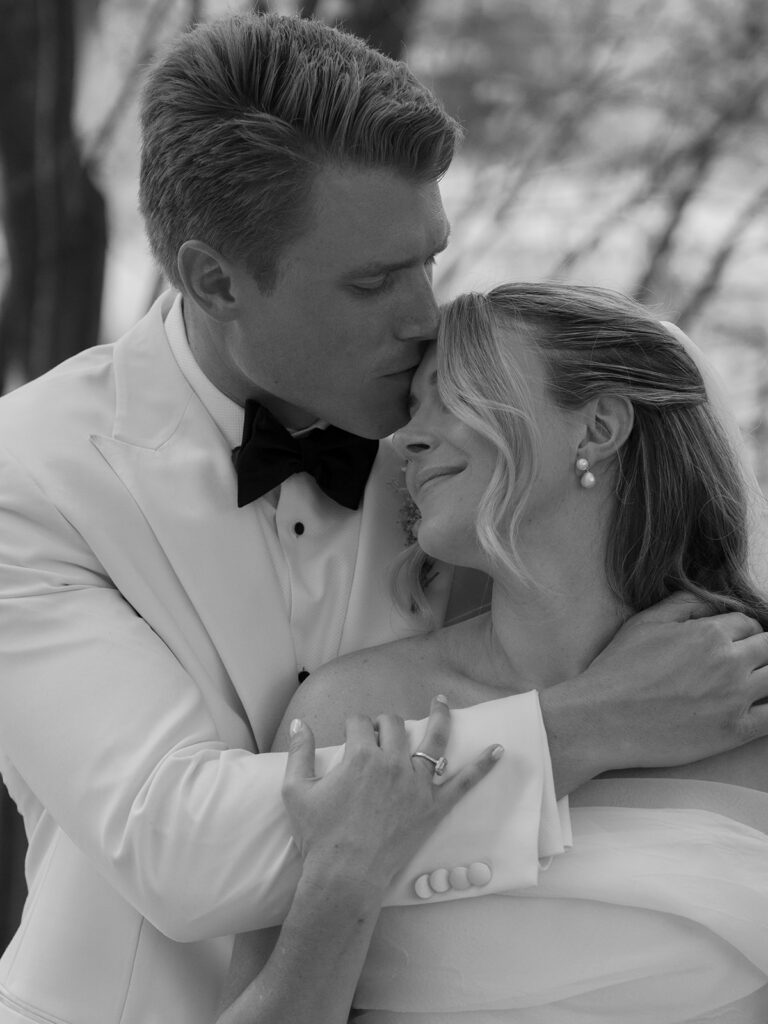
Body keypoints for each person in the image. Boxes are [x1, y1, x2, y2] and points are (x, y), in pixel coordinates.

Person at [0, 13, 767, 1024]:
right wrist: (591, 723)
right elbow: (177, 844)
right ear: (215, 280)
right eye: (372, 283)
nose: (423, 316)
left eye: (428, 260)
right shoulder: (31, 474)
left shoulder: (461, 457)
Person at [220, 282, 768, 1023]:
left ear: (599, 426)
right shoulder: (356, 713)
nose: (404, 441)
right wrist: (345, 877)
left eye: (453, 394)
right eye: (412, 408)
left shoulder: (753, 698)